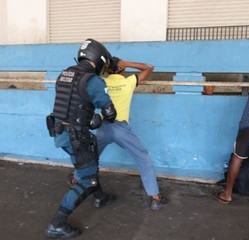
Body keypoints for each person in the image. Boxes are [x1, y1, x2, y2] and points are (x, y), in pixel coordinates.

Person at [45, 39, 117, 238]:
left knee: (89, 164)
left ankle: (100, 197)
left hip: (60, 133)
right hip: (76, 137)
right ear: (99, 59)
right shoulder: (93, 81)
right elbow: (110, 113)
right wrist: (99, 118)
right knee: (88, 179)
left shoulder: (65, 74)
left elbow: (69, 104)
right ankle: (57, 223)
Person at [96, 57, 168, 210]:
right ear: (122, 69)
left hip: (103, 127)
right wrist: (126, 63)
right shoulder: (128, 82)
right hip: (121, 129)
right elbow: (149, 67)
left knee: (89, 157)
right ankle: (155, 198)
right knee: (144, 159)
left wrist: (109, 67)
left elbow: (94, 73)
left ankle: (76, 180)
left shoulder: (102, 82)